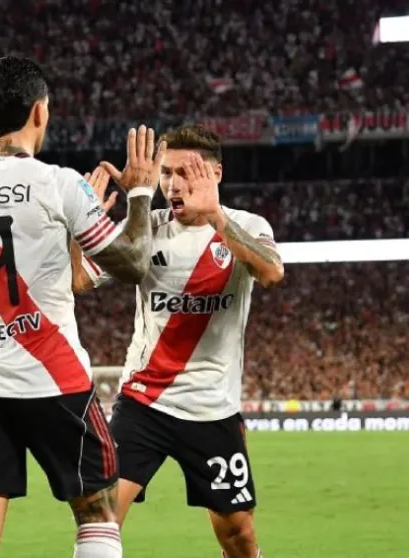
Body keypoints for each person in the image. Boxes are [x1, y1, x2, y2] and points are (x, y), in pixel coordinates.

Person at [0, 55, 161, 558]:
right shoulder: (60, 183)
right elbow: (134, 263)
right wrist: (140, 191)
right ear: (39, 112)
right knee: (98, 519)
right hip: (56, 382)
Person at [107, 125, 284, 558]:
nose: (172, 184)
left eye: (186, 172)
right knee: (101, 517)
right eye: (165, 173)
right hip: (143, 402)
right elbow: (78, 279)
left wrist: (217, 218)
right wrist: (82, 226)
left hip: (212, 408)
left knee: (239, 536)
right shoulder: (145, 227)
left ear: (215, 174)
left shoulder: (247, 225)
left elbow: (271, 272)